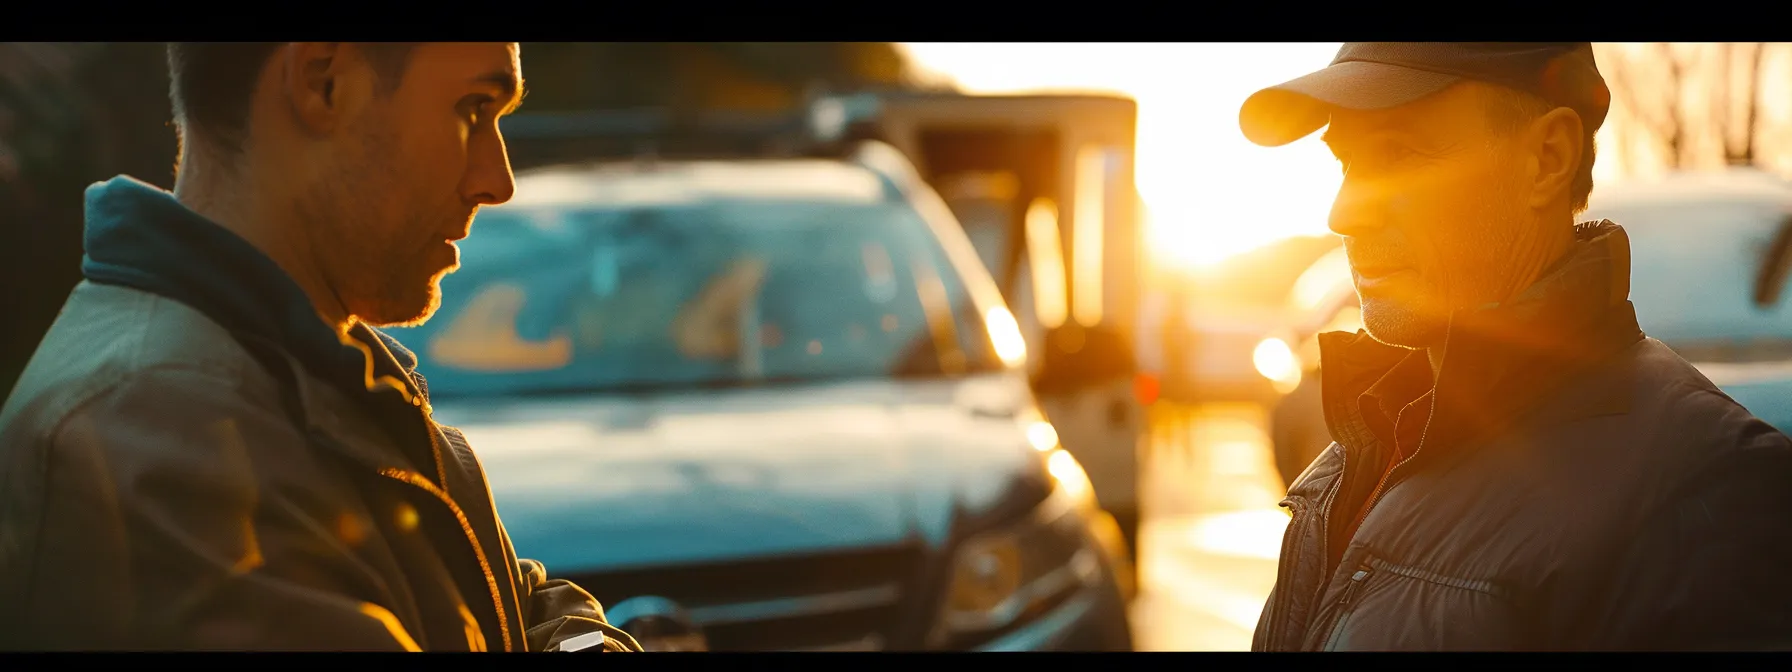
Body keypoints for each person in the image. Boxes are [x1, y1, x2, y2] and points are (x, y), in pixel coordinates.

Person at [0, 42, 643, 652]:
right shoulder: (159, 431)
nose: (497, 180)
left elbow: (518, 602)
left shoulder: (303, 363)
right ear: (322, 83)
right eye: (472, 109)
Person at [1237, 42, 1792, 651]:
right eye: (1346, 163)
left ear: (1547, 159)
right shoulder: (1367, 449)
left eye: (1396, 153)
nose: (1343, 212)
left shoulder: (1700, 488)